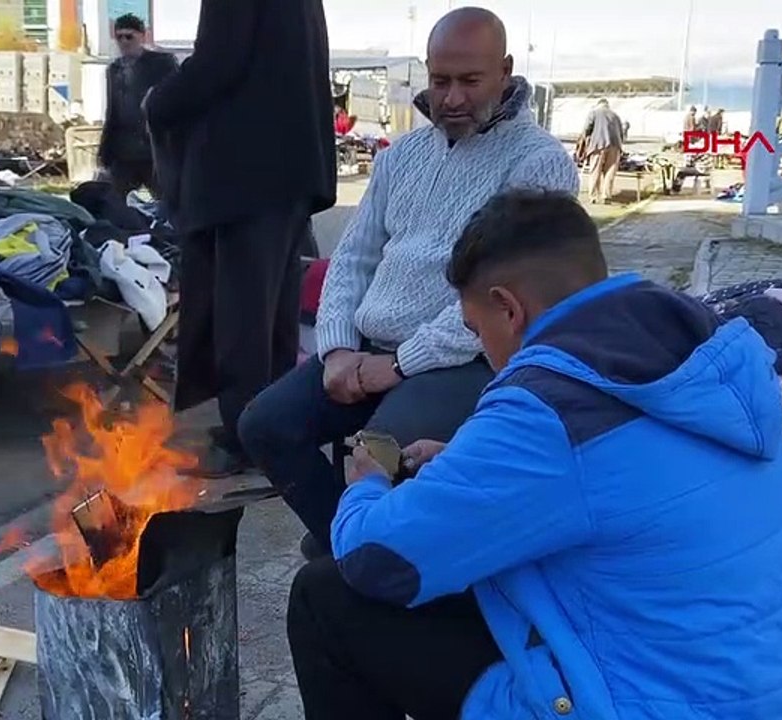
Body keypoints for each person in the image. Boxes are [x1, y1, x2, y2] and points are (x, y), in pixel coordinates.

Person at [287, 188, 782, 720]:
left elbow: (376, 559)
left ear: (508, 309)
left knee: (326, 595)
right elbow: (612, 480)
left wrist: (365, 485)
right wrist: (461, 462)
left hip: (645, 701)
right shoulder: (695, 354)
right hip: (773, 688)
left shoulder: (548, 408)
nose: (486, 352)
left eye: (477, 332)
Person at [238, 7, 579, 557]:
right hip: (371, 350)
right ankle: (348, 549)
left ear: (506, 70)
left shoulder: (539, 162)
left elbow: (500, 298)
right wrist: (336, 351)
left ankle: (386, 561)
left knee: (384, 456)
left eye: (470, 81)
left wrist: (398, 366)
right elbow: (353, 258)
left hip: (464, 357)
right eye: (440, 80)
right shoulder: (403, 156)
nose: (451, 99)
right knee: (263, 426)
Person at [144, 0, 336, 477]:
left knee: (241, 318)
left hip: (244, 174)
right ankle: (266, 426)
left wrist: (160, 100)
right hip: (287, 172)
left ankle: (246, 439)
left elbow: (219, 62)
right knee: (271, 315)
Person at [96, 14, 177, 200]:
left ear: (142, 36)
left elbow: (174, 102)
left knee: (168, 203)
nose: (124, 42)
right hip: (123, 151)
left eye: (129, 36)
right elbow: (113, 112)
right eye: (119, 37)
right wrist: (105, 152)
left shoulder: (162, 63)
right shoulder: (114, 70)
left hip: (155, 149)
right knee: (110, 201)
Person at [582, 98, 624, 204]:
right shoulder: (615, 115)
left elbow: (587, 129)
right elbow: (622, 133)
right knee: (610, 171)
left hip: (598, 144)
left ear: (598, 104)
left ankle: (593, 196)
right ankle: (606, 195)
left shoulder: (594, 112)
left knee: (595, 170)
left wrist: (585, 139)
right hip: (615, 145)